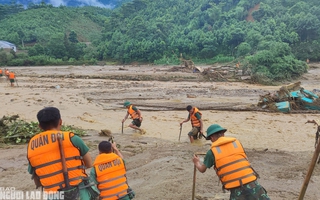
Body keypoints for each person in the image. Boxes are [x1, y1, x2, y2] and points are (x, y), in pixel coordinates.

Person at [27, 107, 98, 200]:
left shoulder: (31, 145)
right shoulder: (72, 138)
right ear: (60, 121)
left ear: (39, 126)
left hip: (53, 195)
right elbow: (89, 164)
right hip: (79, 192)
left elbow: (35, 176)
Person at [192, 124, 270, 200]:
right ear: (223, 134)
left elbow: (202, 169)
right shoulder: (237, 143)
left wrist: (197, 162)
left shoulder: (211, 152)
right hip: (254, 184)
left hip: (237, 190)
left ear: (212, 137)